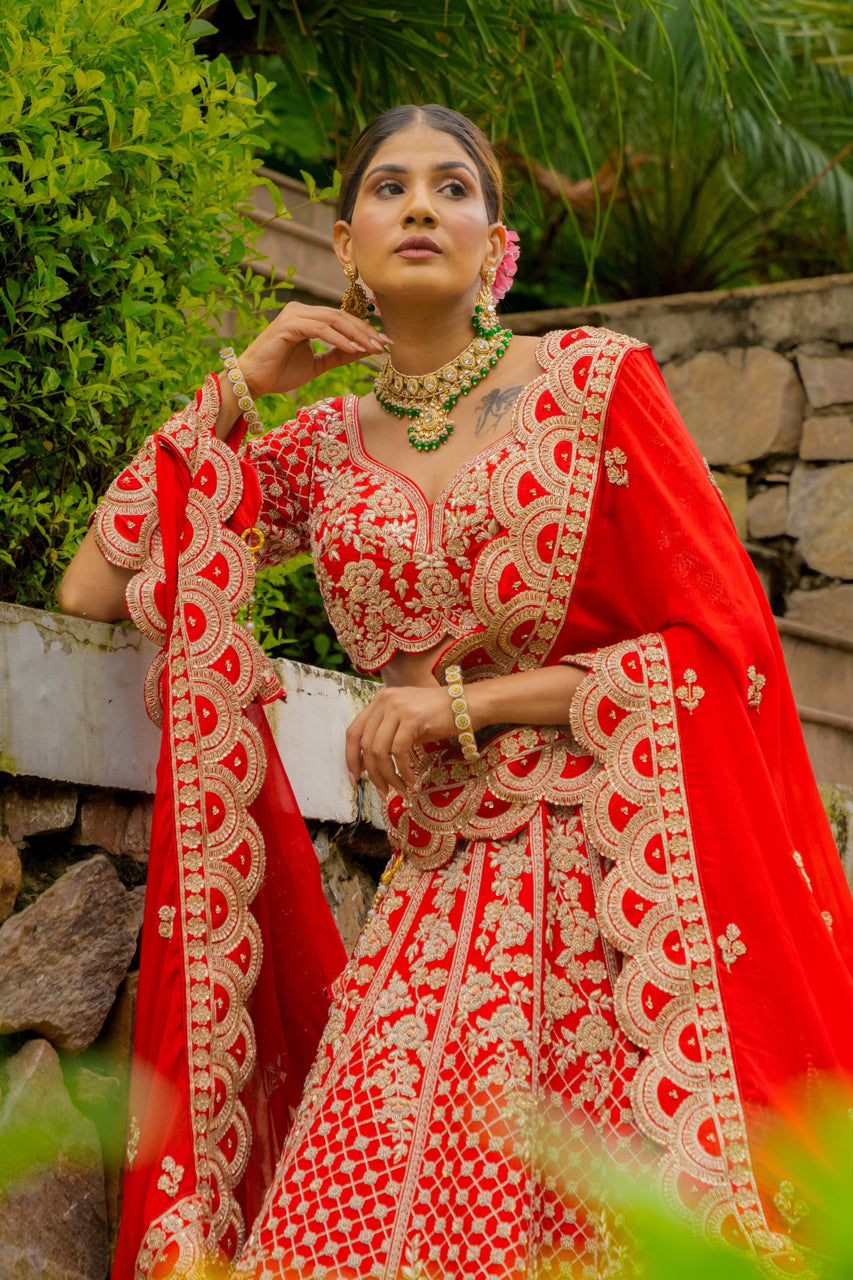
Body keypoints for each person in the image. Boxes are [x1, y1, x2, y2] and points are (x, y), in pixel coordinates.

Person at [59, 104, 853, 1280]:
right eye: (389, 188)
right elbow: (92, 585)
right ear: (342, 243)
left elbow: (717, 642)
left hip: (617, 900)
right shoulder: (320, 444)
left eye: (452, 188)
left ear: (496, 243)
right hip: (433, 895)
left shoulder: (591, 385)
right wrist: (243, 379)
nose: (421, 205)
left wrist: (467, 706)